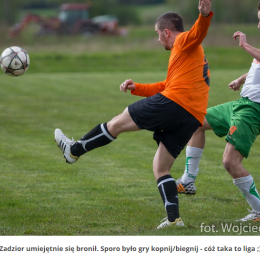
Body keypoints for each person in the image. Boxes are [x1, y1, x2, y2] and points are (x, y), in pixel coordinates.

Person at [54, 0, 213, 229]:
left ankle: (74, 150)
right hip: (191, 116)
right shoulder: (188, 54)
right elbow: (167, 84)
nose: (158, 39)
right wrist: (136, 87)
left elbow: (198, 32)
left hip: (176, 103)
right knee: (160, 168)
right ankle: (173, 220)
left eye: (158, 34)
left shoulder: (184, 40)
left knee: (118, 122)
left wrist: (205, 15)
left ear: (167, 32)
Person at [177, 1, 260, 222]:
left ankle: (259, 211)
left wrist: (244, 45)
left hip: (253, 111)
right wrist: (242, 79)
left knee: (230, 162)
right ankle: (188, 181)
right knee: (196, 122)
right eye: (259, 20)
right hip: (241, 103)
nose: (259, 26)